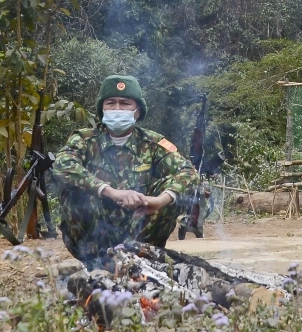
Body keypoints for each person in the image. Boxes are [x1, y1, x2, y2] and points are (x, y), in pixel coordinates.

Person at [52, 75, 198, 264]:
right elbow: (62, 165)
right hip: (89, 240)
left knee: (174, 191)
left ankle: (141, 259)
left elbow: (189, 172)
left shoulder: (152, 143)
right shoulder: (84, 140)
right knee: (75, 186)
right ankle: (97, 261)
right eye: (111, 103)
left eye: (125, 103)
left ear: (137, 111)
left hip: (139, 235)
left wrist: (159, 201)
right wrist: (110, 192)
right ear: (102, 108)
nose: (117, 109)